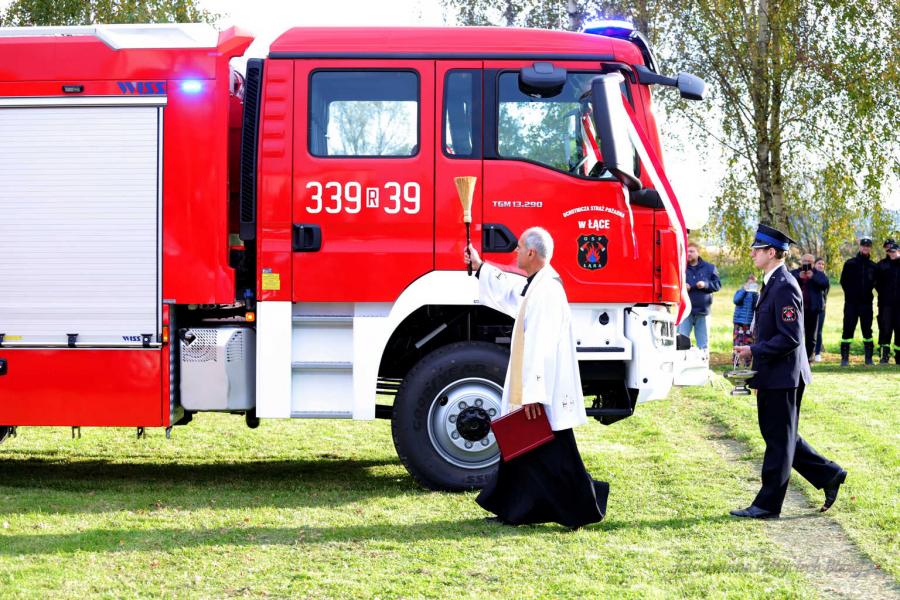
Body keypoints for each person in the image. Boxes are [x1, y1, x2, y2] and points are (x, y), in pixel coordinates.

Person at [464, 227, 608, 529]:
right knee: (524, 446)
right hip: (536, 385)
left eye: (518, 247)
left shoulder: (547, 292)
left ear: (531, 252)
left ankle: (581, 506)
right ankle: (513, 508)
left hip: (543, 387)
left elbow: (541, 346)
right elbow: (511, 291)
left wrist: (534, 394)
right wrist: (480, 268)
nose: (514, 252)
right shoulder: (538, 285)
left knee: (550, 451)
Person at [732, 224, 847, 519]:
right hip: (775, 373)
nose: (753, 254)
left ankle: (767, 505)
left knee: (778, 441)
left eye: (757, 250)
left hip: (784, 376)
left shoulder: (784, 285)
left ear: (771, 252)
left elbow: (791, 337)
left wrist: (753, 351)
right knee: (781, 436)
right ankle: (829, 474)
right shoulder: (772, 282)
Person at [839, 237, 877, 366]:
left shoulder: (873, 266)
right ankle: (844, 359)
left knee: (867, 331)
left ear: (870, 248)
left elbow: (877, 283)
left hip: (866, 304)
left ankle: (869, 358)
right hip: (851, 304)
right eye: (863, 246)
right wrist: (850, 295)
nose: (865, 248)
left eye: (868, 246)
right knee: (847, 329)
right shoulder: (850, 263)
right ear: (860, 247)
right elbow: (843, 281)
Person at [678, 242, 721, 354]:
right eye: (687, 252)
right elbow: (673, 285)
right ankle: (682, 362)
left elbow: (718, 285)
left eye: (692, 251)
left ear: (698, 253)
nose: (689, 254)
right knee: (681, 342)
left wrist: (705, 284)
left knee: (703, 345)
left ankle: (703, 362)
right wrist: (682, 287)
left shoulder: (710, 268)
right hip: (685, 312)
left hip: (703, 312)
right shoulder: (680, 268)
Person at [790, 253, 830, 361]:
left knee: (811, 337)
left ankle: (808, 359)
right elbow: (786, 283)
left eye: (809, 262)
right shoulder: (795, 273)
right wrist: (799, 277)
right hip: (796, 310)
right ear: (801, 262)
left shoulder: (818, 273)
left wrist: (813, 277)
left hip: (812, 310)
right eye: (805, 261)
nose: (807, 263)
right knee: (795, 334)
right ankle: (795, 358)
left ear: (813, 263)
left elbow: (825, 283)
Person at [875, 242, 900, 364]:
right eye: (890, 252)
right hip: (886, 304)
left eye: (894, 252)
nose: (892, 254)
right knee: (885, 329)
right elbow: (876, 283)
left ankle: (899, 356)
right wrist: (884, 294)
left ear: (898, 251)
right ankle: (884, 356)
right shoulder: (882, 265)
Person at [732, 274, 759, 366]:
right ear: (746, 282)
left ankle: (747, 363)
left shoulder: (755, 294)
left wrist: (755, 293)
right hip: (739, 321)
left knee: (749, 341)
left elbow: (756, 306)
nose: (751, 285)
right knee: (737, 341)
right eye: (750, 282)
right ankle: (736, 361)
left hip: (749, 322)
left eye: (753, 283)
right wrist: (744, 289)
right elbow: (736, 300)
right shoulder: (740, 291)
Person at [812, 257, 829, 362]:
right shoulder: (810, 275)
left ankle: (817, 353)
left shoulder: (825, 278)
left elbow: (826, 293)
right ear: (814, 264)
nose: (821, 266)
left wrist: (824, 303)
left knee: (818, 331)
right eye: (819, 263)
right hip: (809, 307)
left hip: (820, 308)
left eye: (823, 264)